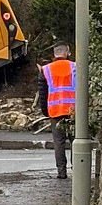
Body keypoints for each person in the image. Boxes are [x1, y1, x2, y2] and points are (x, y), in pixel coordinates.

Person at [38, 43, 76, 179]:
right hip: (73, 111)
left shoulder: (45, 70)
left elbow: (43, 93)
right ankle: (77, 170)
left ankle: (61, 172)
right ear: (67, 52)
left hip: (55, 111)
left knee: (59, 143)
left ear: (55, 54)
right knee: (75, 141)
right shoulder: (75, 67)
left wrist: (45, 111)